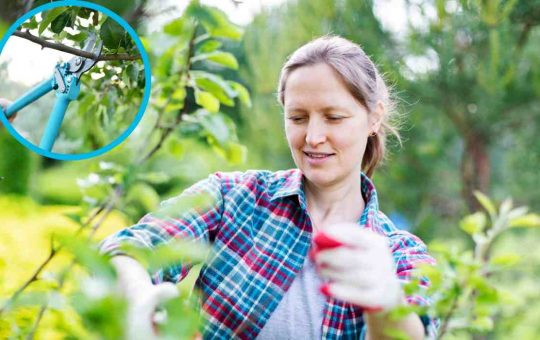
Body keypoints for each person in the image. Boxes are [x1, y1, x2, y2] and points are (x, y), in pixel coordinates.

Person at [100, 35, 438, 339]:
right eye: (298, 118)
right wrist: (141, 300)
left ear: (374, 117)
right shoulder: (234, 198)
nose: (313, 137)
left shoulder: (401, 255)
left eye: (334, 117)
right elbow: (127, 249)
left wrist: (386, 299)